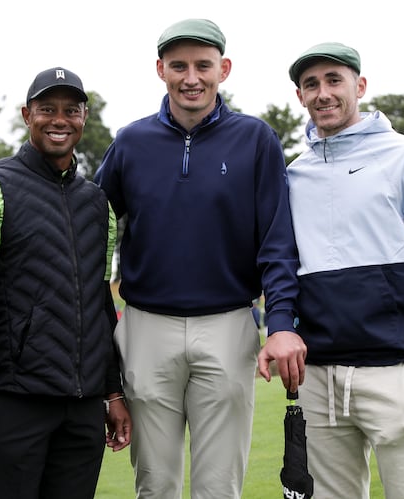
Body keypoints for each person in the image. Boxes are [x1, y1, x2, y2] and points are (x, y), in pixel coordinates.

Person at [95, 19, 304, 498]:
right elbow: (92, 227)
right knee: (155, 483)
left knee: (219, 487)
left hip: (228, 325)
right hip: (147, 327)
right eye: (179, 66)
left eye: (203, 66)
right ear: (160, 70)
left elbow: (277, 242)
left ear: (223, 69)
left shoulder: (256, 140)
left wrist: (284, 323)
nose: (192, 77)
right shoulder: (132, 142)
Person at [284, 42, 404, 498]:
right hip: (319, 379)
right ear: (300, 96)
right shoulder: (292, 175)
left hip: (398, 371)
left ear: (360, 86)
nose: (323, 93)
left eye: (334, 81)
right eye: (312, 84)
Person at [0, 66, 131, 499]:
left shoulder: (96, 203)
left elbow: (99, 303)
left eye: (71, 110)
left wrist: (113, 392)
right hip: (14, 399)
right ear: (27, 115)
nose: (59, 120)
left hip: (84, 407)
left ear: (84, 117)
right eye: (48, 109)